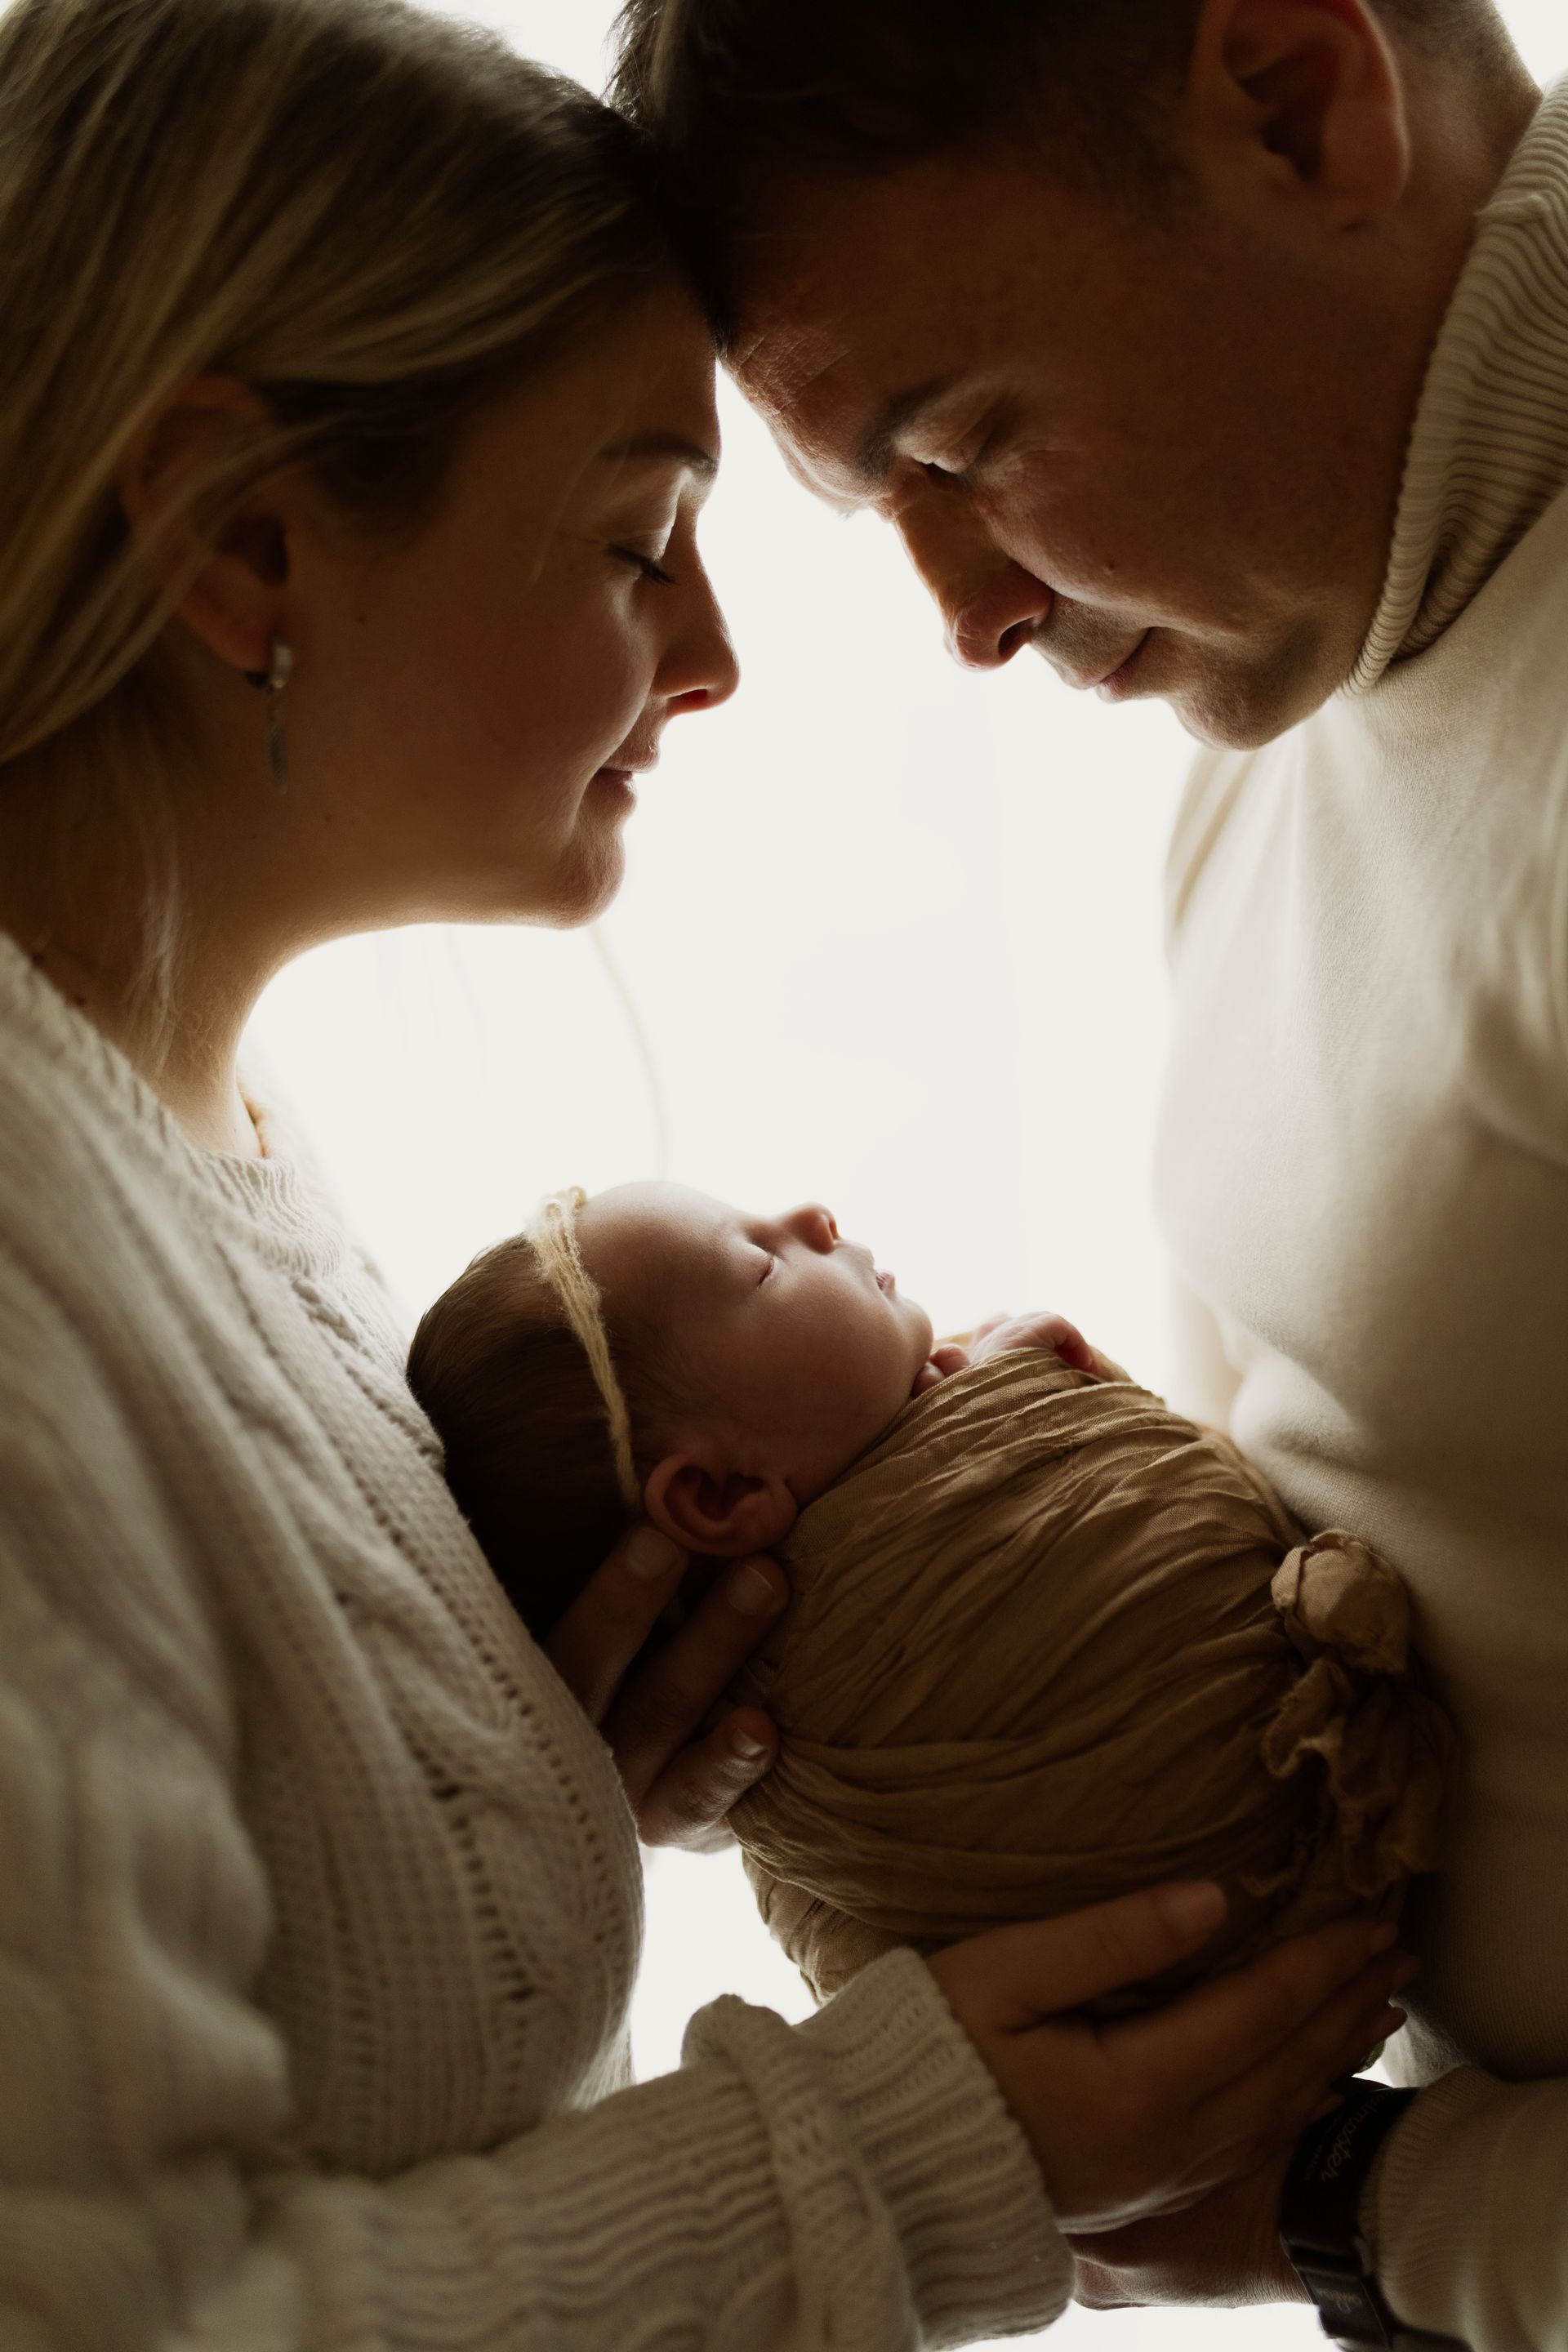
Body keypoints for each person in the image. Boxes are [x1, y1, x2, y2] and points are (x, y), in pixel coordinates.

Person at [0, 0, 1413, 2345]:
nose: (722, 654)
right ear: (246, 547)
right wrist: (921, 2153)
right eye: (641, 535)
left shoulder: (228, 1160)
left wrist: (534, 1788)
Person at [611, 0, 1568, 2339]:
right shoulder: (1304, 710)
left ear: (1293, 96)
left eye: (963, 440)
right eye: (882, 511)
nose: (966, 617)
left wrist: (1375, 2210)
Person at [407, 1177, 1448, 2003]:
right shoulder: (787, 1725)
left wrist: (1014, 1399)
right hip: (1276, 1805)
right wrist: (1031, 1392)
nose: (812, 1214)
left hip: (1223, 1971)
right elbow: (1173, 1517)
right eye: (761, 1264)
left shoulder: (749, 1731)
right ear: (721, 1496)